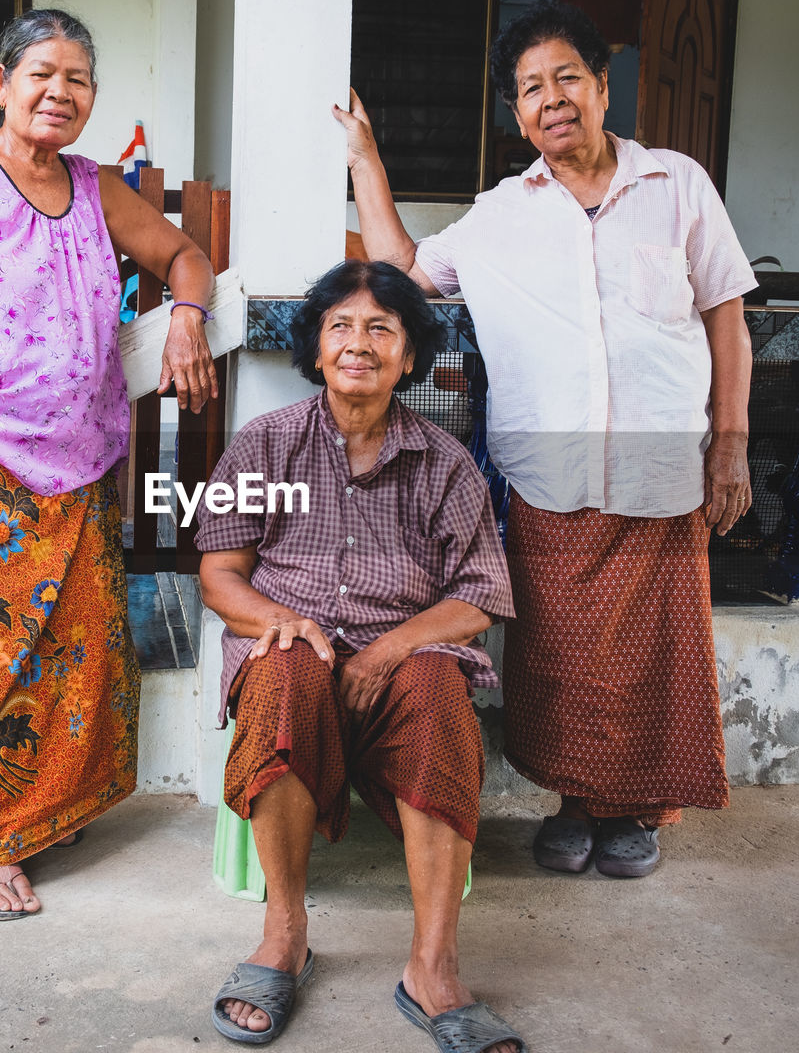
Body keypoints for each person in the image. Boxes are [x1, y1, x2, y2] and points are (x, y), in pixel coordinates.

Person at [335, 0, 755, 879]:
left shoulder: (675, 184)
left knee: (652, 654)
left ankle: (634, 812)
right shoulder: (500, 213)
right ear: (517, 114)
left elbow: (725, 314)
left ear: (603, 89)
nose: (552, 99)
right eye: (531, 89)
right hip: (550, 477)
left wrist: (731, 442)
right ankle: (572, 804)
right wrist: (367, 161)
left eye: (568, 78)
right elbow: (404, 270)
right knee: (560, 656)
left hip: (660, 468)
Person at [0, 8, 217, 918]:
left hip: (79, 461)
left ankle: (46, 814)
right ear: (1, 82)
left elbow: (184, 255)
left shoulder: (94, 185)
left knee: (76, 651)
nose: (59, 92)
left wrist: (187, 311)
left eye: (78, 79)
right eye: (41, 73)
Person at [197, 261, 523, 1052]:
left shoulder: (446, 463)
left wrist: (388, 648)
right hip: (294, 644)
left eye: (382, 329)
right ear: (317, 346)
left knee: (440, 695)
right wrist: (282, 618)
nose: (359, 344)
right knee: (282, 673)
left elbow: (478, 597)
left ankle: (433, 966)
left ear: (409, 357)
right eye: (341, 326)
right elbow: (219, 572)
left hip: (403, 653)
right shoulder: (265, 443)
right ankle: (285, 935)